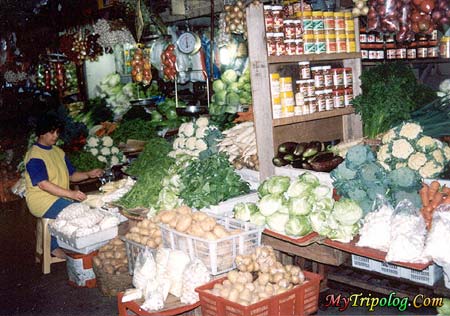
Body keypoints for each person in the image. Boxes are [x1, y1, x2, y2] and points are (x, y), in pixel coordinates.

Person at [24, 112, 104, 258]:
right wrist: (71, 194)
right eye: (51, 132)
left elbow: (72, 175)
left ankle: (67, 243)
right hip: (42, 200)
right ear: (41, 132)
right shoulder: (35, 156)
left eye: (57, 132)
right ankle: (53, 246)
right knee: (81, 213)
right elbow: (43, 184)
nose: (55, 136)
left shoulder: (58, 151)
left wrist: (88, 174)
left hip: (59, 197)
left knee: (88, 209)